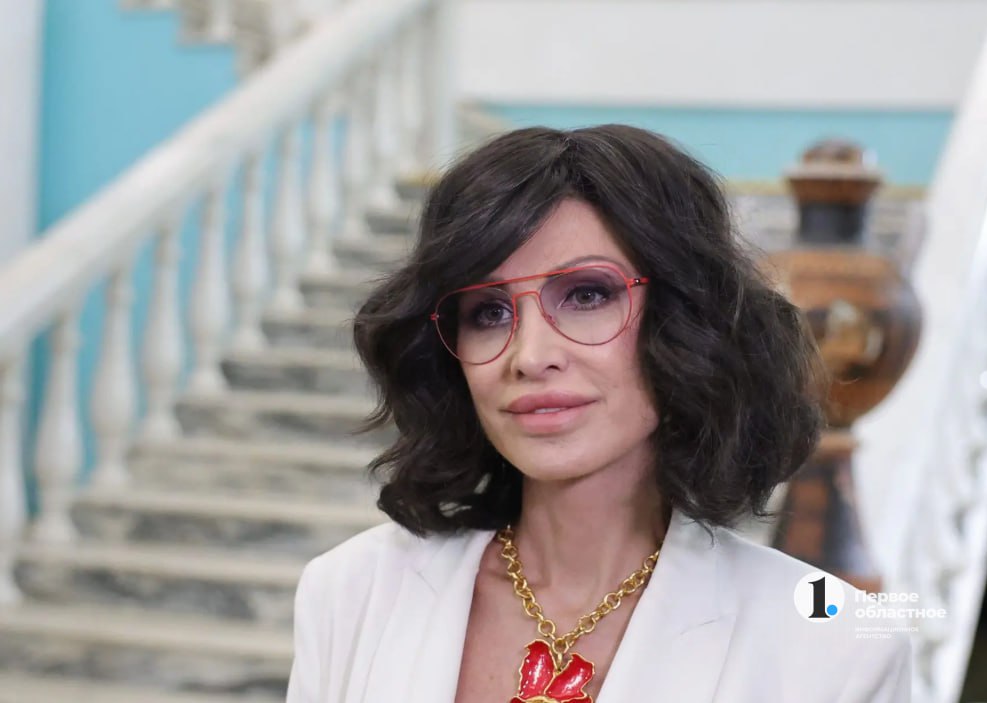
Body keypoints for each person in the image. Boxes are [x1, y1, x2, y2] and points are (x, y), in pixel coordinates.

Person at [285, 125, 912, 702]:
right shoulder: (351, 593)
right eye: (488, 312)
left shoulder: (834, 653)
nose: (531, 356)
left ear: (684, 323)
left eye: (587, 295)